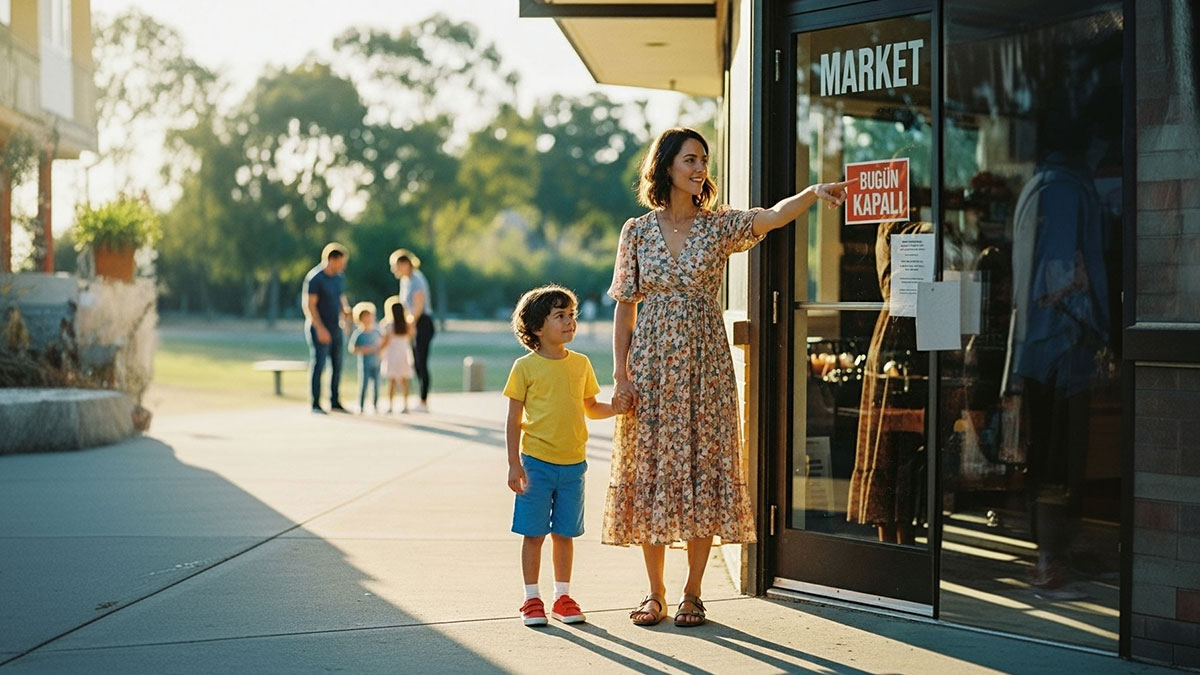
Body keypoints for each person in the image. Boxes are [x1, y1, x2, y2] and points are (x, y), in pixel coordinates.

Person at [605, 127, 849, 627]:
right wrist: (620, 374)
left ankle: (693, 593)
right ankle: (655, 593)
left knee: (702, 473)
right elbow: (625, 310)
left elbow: (772, 217)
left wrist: (812, 193)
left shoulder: (717, 227)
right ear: (667, 165)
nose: (700, 169)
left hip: (706, 373)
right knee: (653, 474)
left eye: (704, 160)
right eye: (690, 159)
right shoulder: (635, 231)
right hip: (650, 372)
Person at [504, 284, 619, 627]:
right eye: (560, 316)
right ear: (537, 328)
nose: (570, 322)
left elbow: (590, 407)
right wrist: (514, 464)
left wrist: (616, 407)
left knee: (565, 534)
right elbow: (513, 418)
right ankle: (531, 599)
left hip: (573, 467)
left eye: (572, 315)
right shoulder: (524, 367)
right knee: (534, 533)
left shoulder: (581, 364)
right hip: (536, 464)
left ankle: (563, 597)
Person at [302, 243, 351, 414]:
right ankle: (315, 403)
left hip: (335, 326)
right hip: (320, 327)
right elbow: (309, 305)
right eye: (341, 262)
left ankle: (334, 401)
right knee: (319, 364)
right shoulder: (315, 278)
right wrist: (320, 328)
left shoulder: (339, 277)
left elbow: (340, 298)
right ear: (332, 259)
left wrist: (345, 312)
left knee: (337, 365)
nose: (343, 266)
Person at [390, 249, 434, 412]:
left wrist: (411, 324)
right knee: (415, 362)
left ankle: (424, 400)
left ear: (404, 264)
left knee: (421, 361)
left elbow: (418, 306)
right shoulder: (405, 281)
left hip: (422, 322)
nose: (395, 270)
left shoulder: (417, 280)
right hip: (412, 322)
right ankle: (420, 398)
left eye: (396, 266)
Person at [379, 295, 415, 414]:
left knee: (392, 382)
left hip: (392, 355)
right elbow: (412, 335)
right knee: (404, 381)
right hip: (404, 355)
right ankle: (406, 405)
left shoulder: (388, 325)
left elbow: (386, 340)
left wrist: (379, 350)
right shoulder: (407, 325)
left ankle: (390, 405)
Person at [348, 302, 383, 414]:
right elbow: (352, 349)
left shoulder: (377, 332)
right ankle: (361, 405)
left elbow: (383, 343)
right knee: (364, 385)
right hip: (365, 365)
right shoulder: (359, 334)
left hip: (377, 364)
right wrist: (364, 349)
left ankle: (375, 404)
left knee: (377, 386)